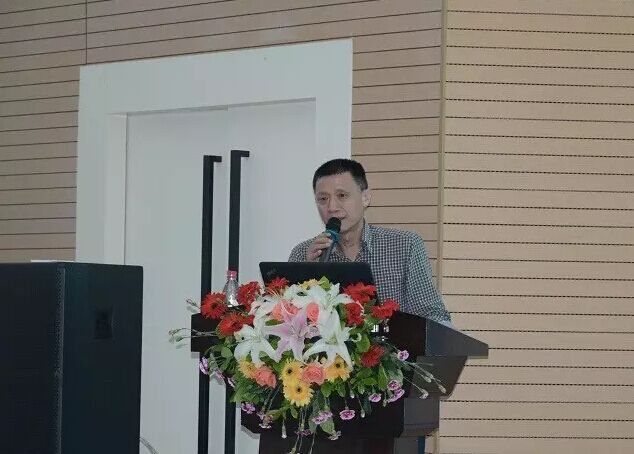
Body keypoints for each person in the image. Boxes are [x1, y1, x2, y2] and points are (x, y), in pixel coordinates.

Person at [288, 158, 451, 323]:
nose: (332, 207)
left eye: (342, 195)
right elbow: (290, 319)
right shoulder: (303, 253)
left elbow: (433, 316)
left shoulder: (405, 246)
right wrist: (309, 271)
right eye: (323, 199)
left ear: (365, 197)